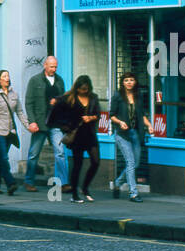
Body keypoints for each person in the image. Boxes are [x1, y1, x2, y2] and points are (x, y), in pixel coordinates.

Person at [22, 55, 66, 191]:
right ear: (45, 65)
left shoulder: (59, 81)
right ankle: (29, 181)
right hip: (40, 123)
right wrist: (32, 121)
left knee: (60, 153)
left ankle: (63, 183)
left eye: (55, 67)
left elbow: (63, 100)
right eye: (51, 66)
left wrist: (58, 101)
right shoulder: (35, 80)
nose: (54, 69)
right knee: (34, 153)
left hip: (55, 123)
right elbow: (28, 102)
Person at [56, 75, 102, 203]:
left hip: (90, 134)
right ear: (77, 88)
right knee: (77, 164)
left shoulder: (93, 98)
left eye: (86, 89)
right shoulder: (70, 98)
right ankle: (74, 194)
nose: (83, 92)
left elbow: (98, 114)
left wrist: (90, 118)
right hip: (76, 135)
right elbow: (59, 114)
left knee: (96, 161)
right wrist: (66, 127)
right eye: (81, 89)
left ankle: (85, 187)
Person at [110, 71, 153, 201]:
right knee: (130, 162)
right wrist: (120, 122)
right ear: (122, 82)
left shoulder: (138, 96)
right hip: (122, 134)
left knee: (136, 163)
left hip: (135, 133)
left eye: (131, 80)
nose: (129, 83)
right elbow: (111, 115)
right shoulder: (117, 96)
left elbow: (142, 115)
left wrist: (149, 125)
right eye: (126, 80)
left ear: (135, 82)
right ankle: (133, 193)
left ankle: (117, 184)